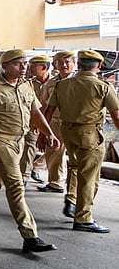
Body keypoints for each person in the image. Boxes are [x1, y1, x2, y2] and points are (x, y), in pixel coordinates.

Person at [0, 49, 59, 253]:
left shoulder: (26, 86)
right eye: (17, 64)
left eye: (24, 63)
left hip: (19, 141)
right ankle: (30, 235)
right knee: (15, 186)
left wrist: (48, 133)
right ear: (5, 66)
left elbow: (35, 111)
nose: (23, 67)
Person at [44, 49, 119, 233]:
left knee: (75, 167)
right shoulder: (103, 86)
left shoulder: (62, 85)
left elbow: (49, 110)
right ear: (99, 66)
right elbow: (116, 116)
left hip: (67, 132)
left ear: (78, 64)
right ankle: (83, 217)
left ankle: (71, 201)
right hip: (89, 134)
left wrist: (44, 134)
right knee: (89, 176)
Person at [38, 50, 76, 194]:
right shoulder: (50, 83)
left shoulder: (79, 81)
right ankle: (55, 182)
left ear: (74, 64)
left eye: (68, 62)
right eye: (60, 62)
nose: (64, 65)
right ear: (54, 65)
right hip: (54, 121)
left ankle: (73, 189)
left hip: (74, 122)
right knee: (53, 152)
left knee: (75, 156)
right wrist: (41, 126)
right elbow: (43, 105)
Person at [19, 55, 50, 185]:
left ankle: (37, 167)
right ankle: (25, 175)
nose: (29, 69)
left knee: (54, 148)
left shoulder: (55, 83)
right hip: (33, 120)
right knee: (30, 146)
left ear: (43, 67)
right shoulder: (28, 83)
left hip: (52, 120)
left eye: (33, 67)